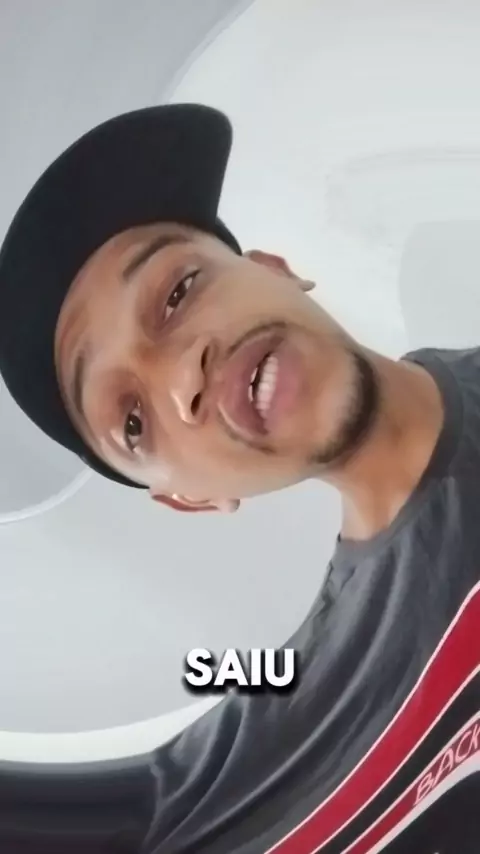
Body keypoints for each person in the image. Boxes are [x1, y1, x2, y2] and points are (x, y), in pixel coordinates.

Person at [0, 104, 478, 853]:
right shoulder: (279, 751)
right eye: (133, 422)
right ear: (193, 499)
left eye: (177, 292)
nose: (180, 376)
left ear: (273, 269)